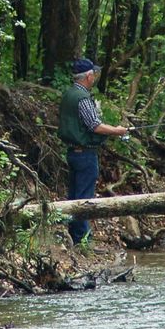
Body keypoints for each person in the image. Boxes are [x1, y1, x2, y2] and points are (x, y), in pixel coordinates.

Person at [58, 57, 129, 246]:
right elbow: (94, 126)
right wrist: (118, 131)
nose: (95, 77)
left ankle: (74, 235)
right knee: (84, 199)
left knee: (73, 197)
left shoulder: (69, 94)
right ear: (88, 76)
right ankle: (83, 241)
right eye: (94, 74)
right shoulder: (82, 98)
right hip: (85, 155)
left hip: (73, 153)